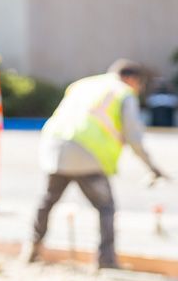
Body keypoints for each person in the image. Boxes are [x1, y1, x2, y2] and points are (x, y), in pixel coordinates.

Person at [24, 59, 166, 269]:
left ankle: (32, 249)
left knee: (48, 200)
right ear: (131, 79)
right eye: (139, 84)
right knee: (105, 207)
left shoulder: (83, 84)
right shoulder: (123, 93)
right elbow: (134, 136)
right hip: (88, 152)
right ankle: (106, 260)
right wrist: (152, 167)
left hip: (55, 147)